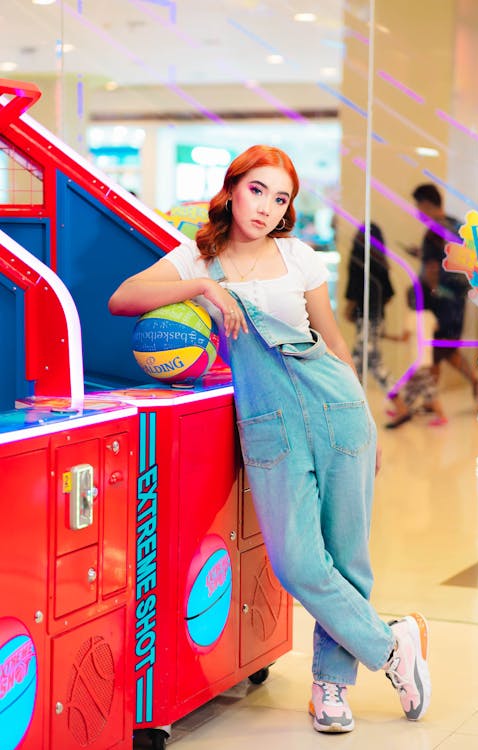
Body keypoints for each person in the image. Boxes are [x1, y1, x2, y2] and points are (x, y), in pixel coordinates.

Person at [109, 145, 431, 734]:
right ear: (232, 189)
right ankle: (392, 647)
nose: (265, 207)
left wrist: (367, 421)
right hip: (268, 423)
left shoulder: (299, 257)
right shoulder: (195, 260)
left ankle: (330, 688)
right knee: (297, 562)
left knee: (346, 556)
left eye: (279, 197)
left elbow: (333, 343)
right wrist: (206, 290)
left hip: (336, 409)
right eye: (257, 190)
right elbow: (122, 298)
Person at [411, 183, 478, 410]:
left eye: (418, 206)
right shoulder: (457, 226)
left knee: (439, 348)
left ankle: (470, 383)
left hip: (440, 301)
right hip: (457, 300)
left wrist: (430, 291)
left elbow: (433, 268)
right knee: (440, 350)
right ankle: (430, 400)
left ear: (427, 204)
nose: (417, 211)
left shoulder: (434, 232)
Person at [385, 281, 447, 429]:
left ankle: (442, 416)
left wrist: (386, 336)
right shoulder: (429, 315)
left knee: (428, 391)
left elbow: (404, 338)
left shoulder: (411, 317)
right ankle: (402, 410)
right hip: (426, 359)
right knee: (411, 388)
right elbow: (436, 327)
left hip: (418, 361)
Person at [344, 222, 395, 391]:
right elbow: (389, 294)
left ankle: (399, 403)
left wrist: (350, 308)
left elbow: (354, 289)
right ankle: (352, 405)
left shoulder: (357, 261)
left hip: (365, 317)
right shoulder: (381, 263)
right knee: (358, 364)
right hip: (376, 317)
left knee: (366, 363)